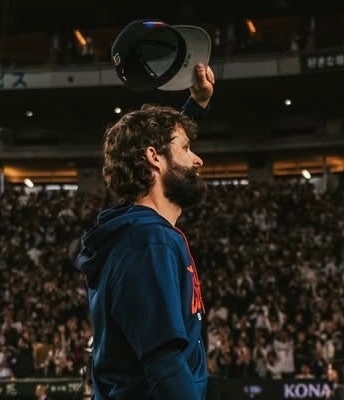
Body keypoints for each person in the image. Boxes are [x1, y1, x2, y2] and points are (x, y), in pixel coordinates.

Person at [74, 59, 214, 399]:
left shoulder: (133, 233)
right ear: (153, 158)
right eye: (187, 149)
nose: (198, 159)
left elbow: (166, 149)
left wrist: (195, 105)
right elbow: (164, 362)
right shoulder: (149, 242)